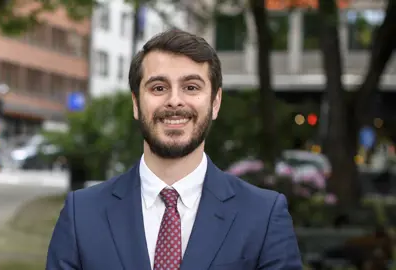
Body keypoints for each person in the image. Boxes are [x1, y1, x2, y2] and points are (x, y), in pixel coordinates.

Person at [46, 29, 302, 270]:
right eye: (159, 88)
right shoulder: (81, 214)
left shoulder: (264, 216)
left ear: (215, 103)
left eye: (191, 87)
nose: (175, 101)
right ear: (136, 103)